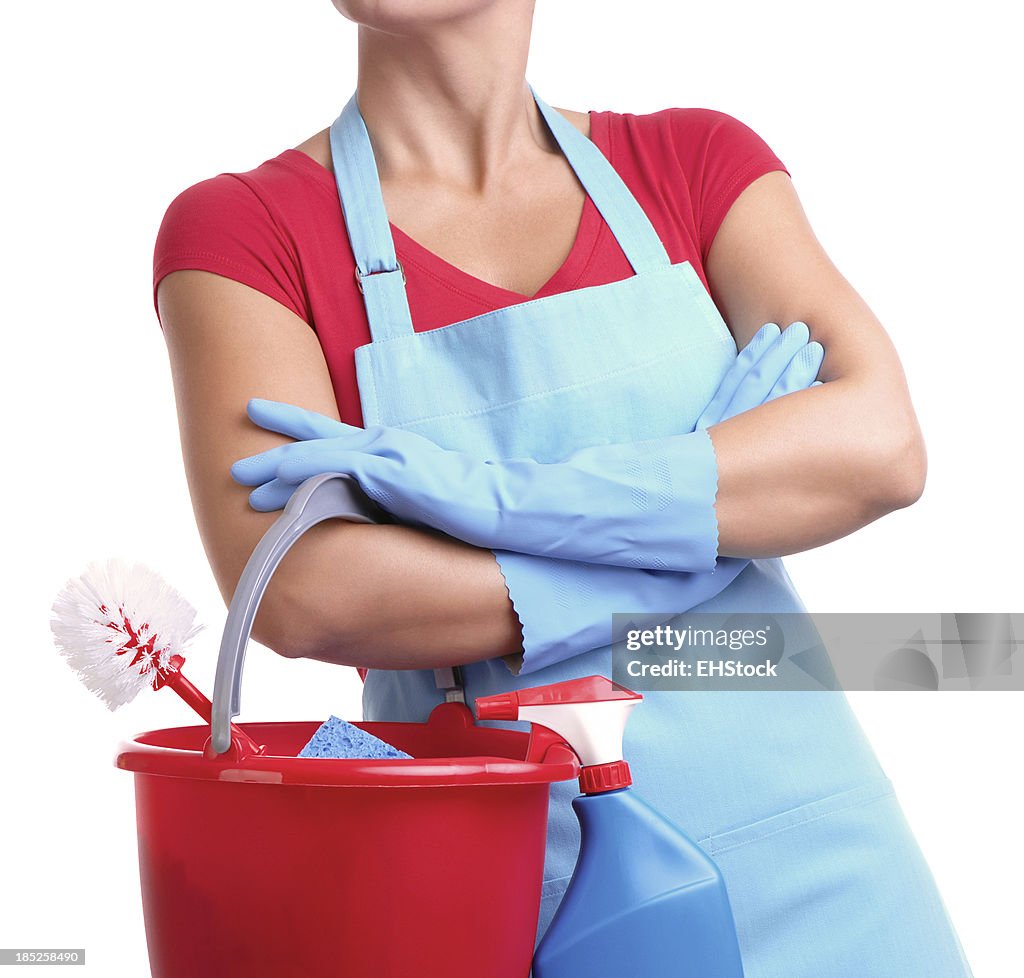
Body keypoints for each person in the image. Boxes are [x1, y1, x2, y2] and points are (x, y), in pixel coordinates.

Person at [153, 2, 973, 975]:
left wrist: (485, 497)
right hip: (508, 893)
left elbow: (880, 448)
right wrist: (694, 538)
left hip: (819, 850)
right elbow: (307, 594)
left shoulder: (693, 164)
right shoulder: (247, 233)